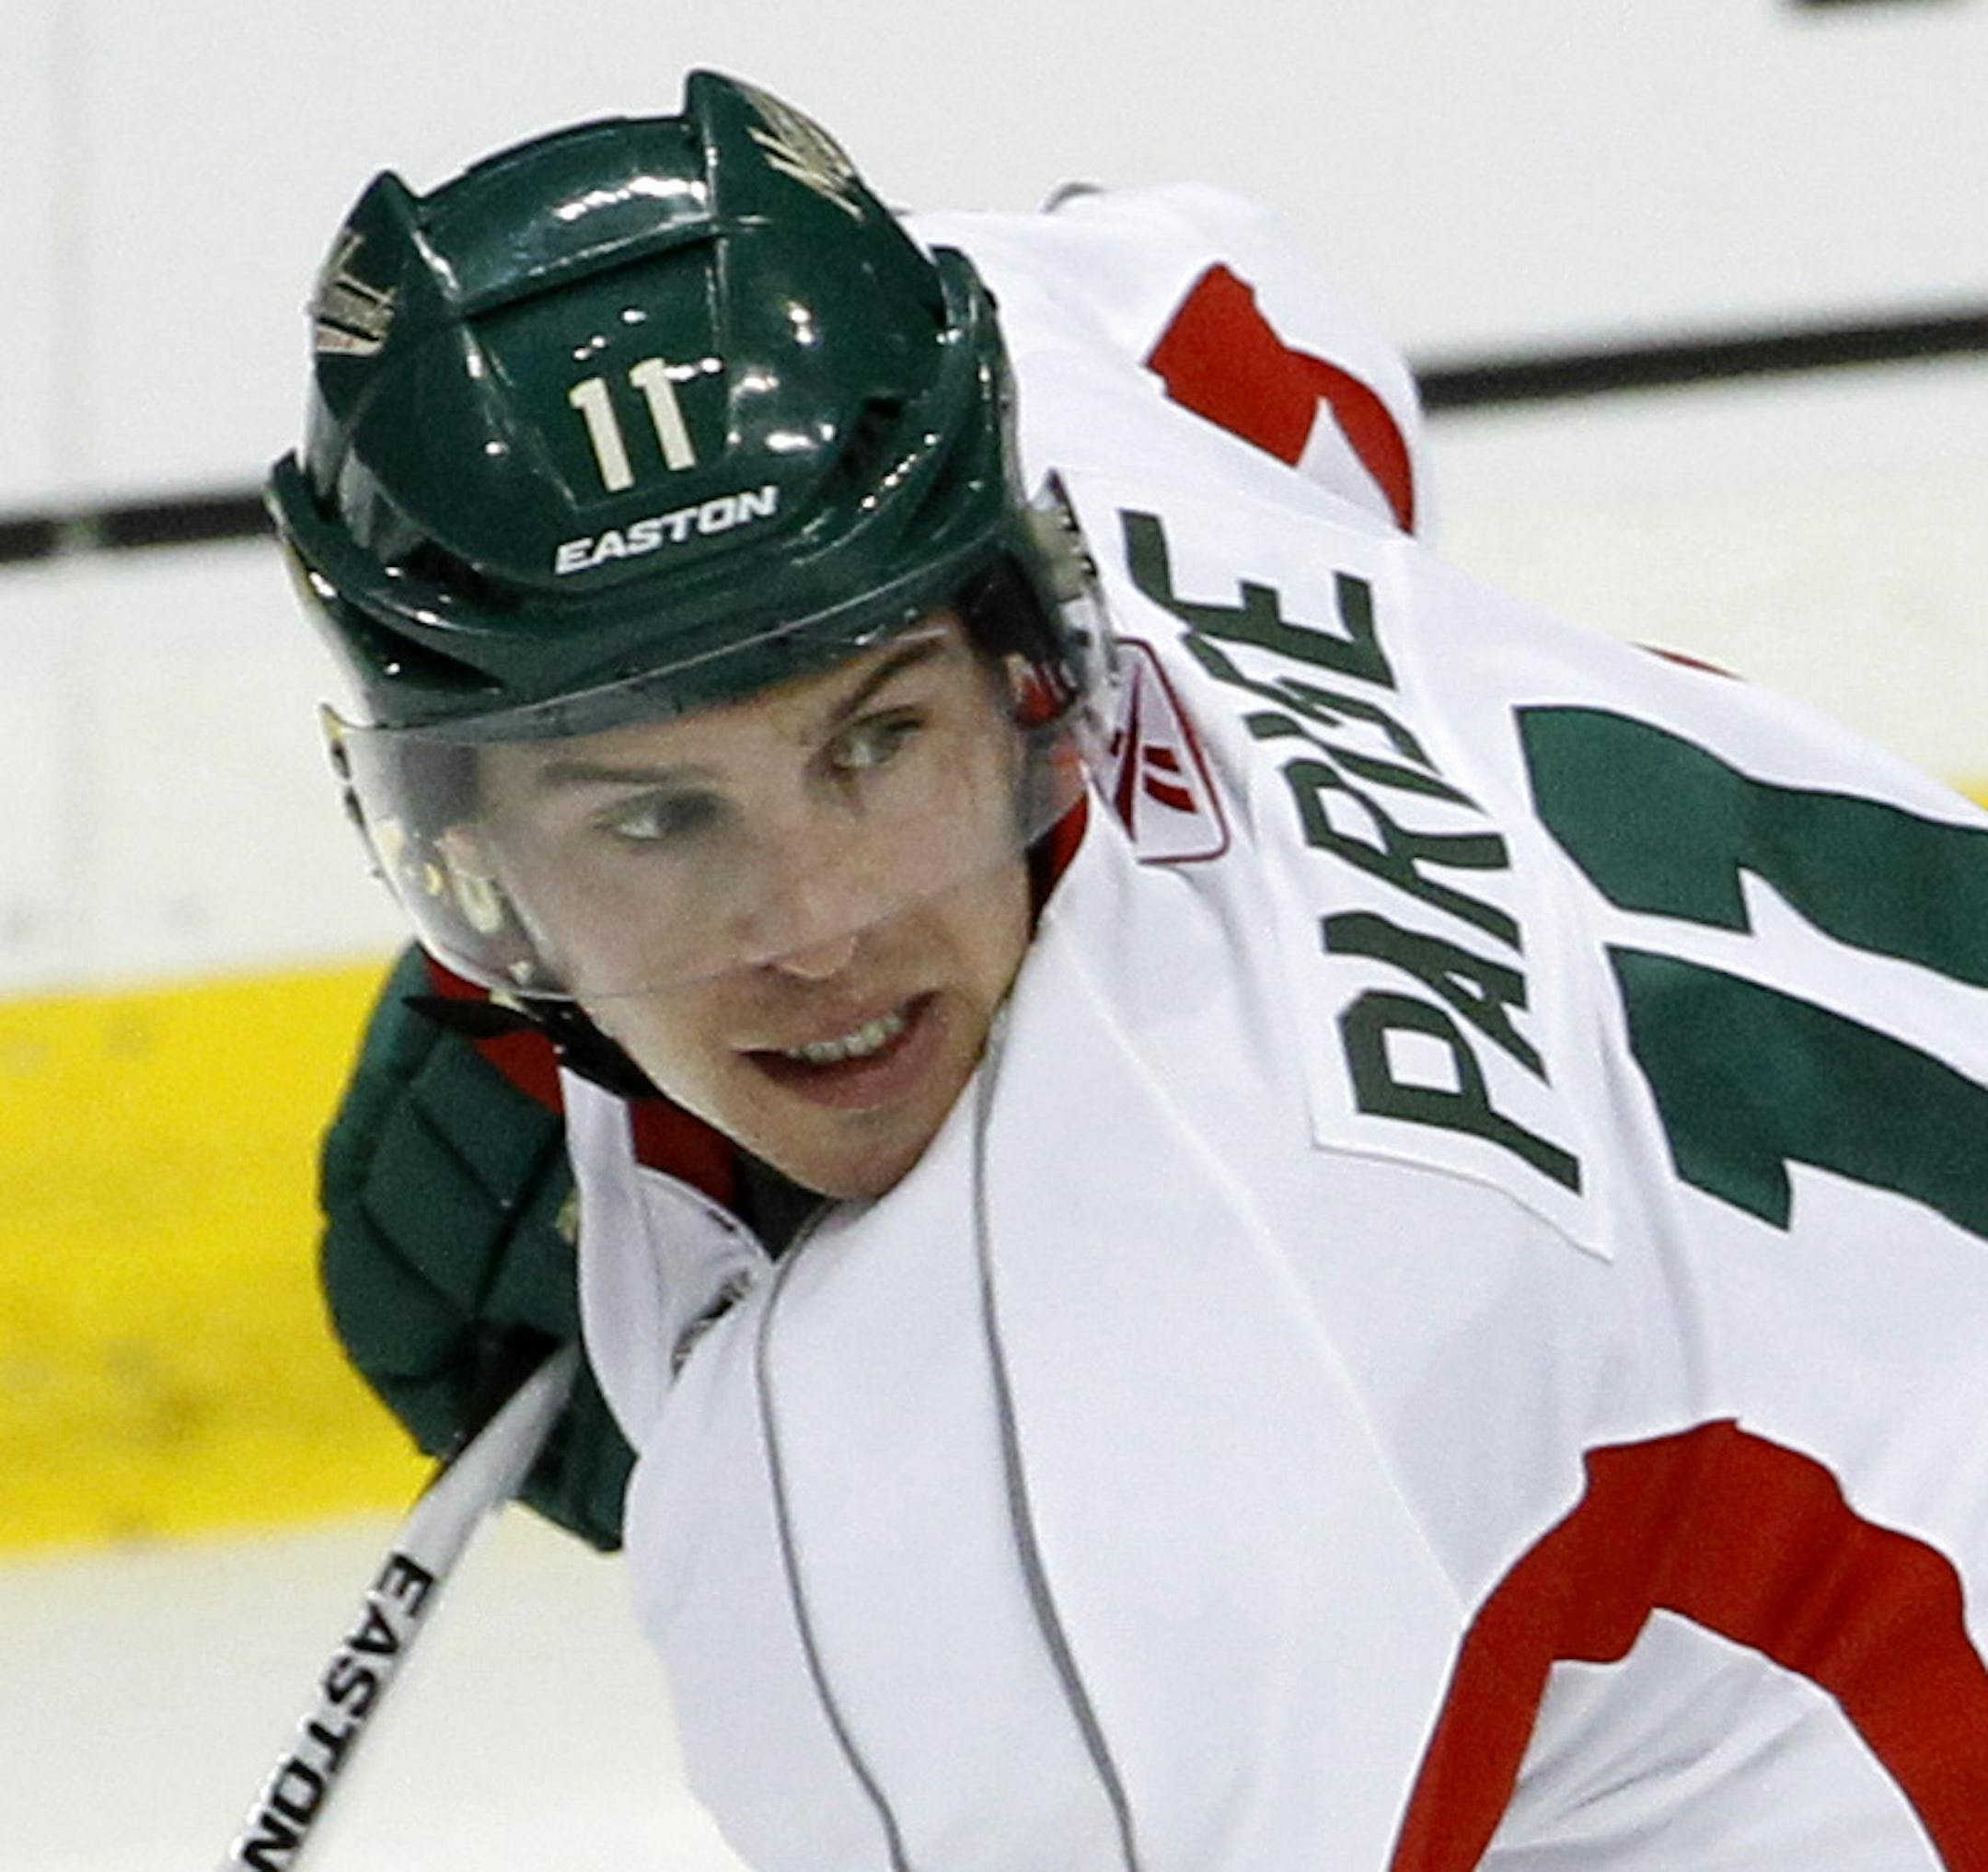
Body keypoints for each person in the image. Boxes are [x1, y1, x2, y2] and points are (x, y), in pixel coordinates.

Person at [276, 70, 1988, 1871]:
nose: (818, 926)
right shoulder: (1035, 396)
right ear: (467, 854)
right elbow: (1261, 322)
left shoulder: (1077, 1487)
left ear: (1027, 662)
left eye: (875, 741)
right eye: (654, 820)